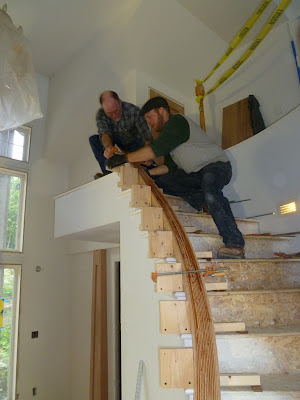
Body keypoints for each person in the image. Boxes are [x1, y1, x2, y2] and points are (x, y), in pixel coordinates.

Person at [107, 96, 245, 259]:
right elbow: (169, 167)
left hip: (217, 166)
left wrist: (125, 158)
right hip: (196, 174)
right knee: (164, 180)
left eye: (150, 117)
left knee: (209, 186)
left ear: (161, 111)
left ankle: (235, 243)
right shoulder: (173, 142)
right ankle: (204, 201)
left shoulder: (176, 122)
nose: (149, 123)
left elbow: (155, 150)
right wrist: (147, 174)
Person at [89, 91, 152, 178]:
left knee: (147, 156)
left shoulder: (134, 111)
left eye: (116, 110)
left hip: (134, 144)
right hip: (116, 144)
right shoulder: (101, 115)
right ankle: (110, 174)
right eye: (109, 113)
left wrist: (146, 154)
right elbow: (104, 133)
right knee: (94, 140)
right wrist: (108, 147)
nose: (114, 115)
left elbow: (147, 137)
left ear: (120, 102)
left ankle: (140, 173)